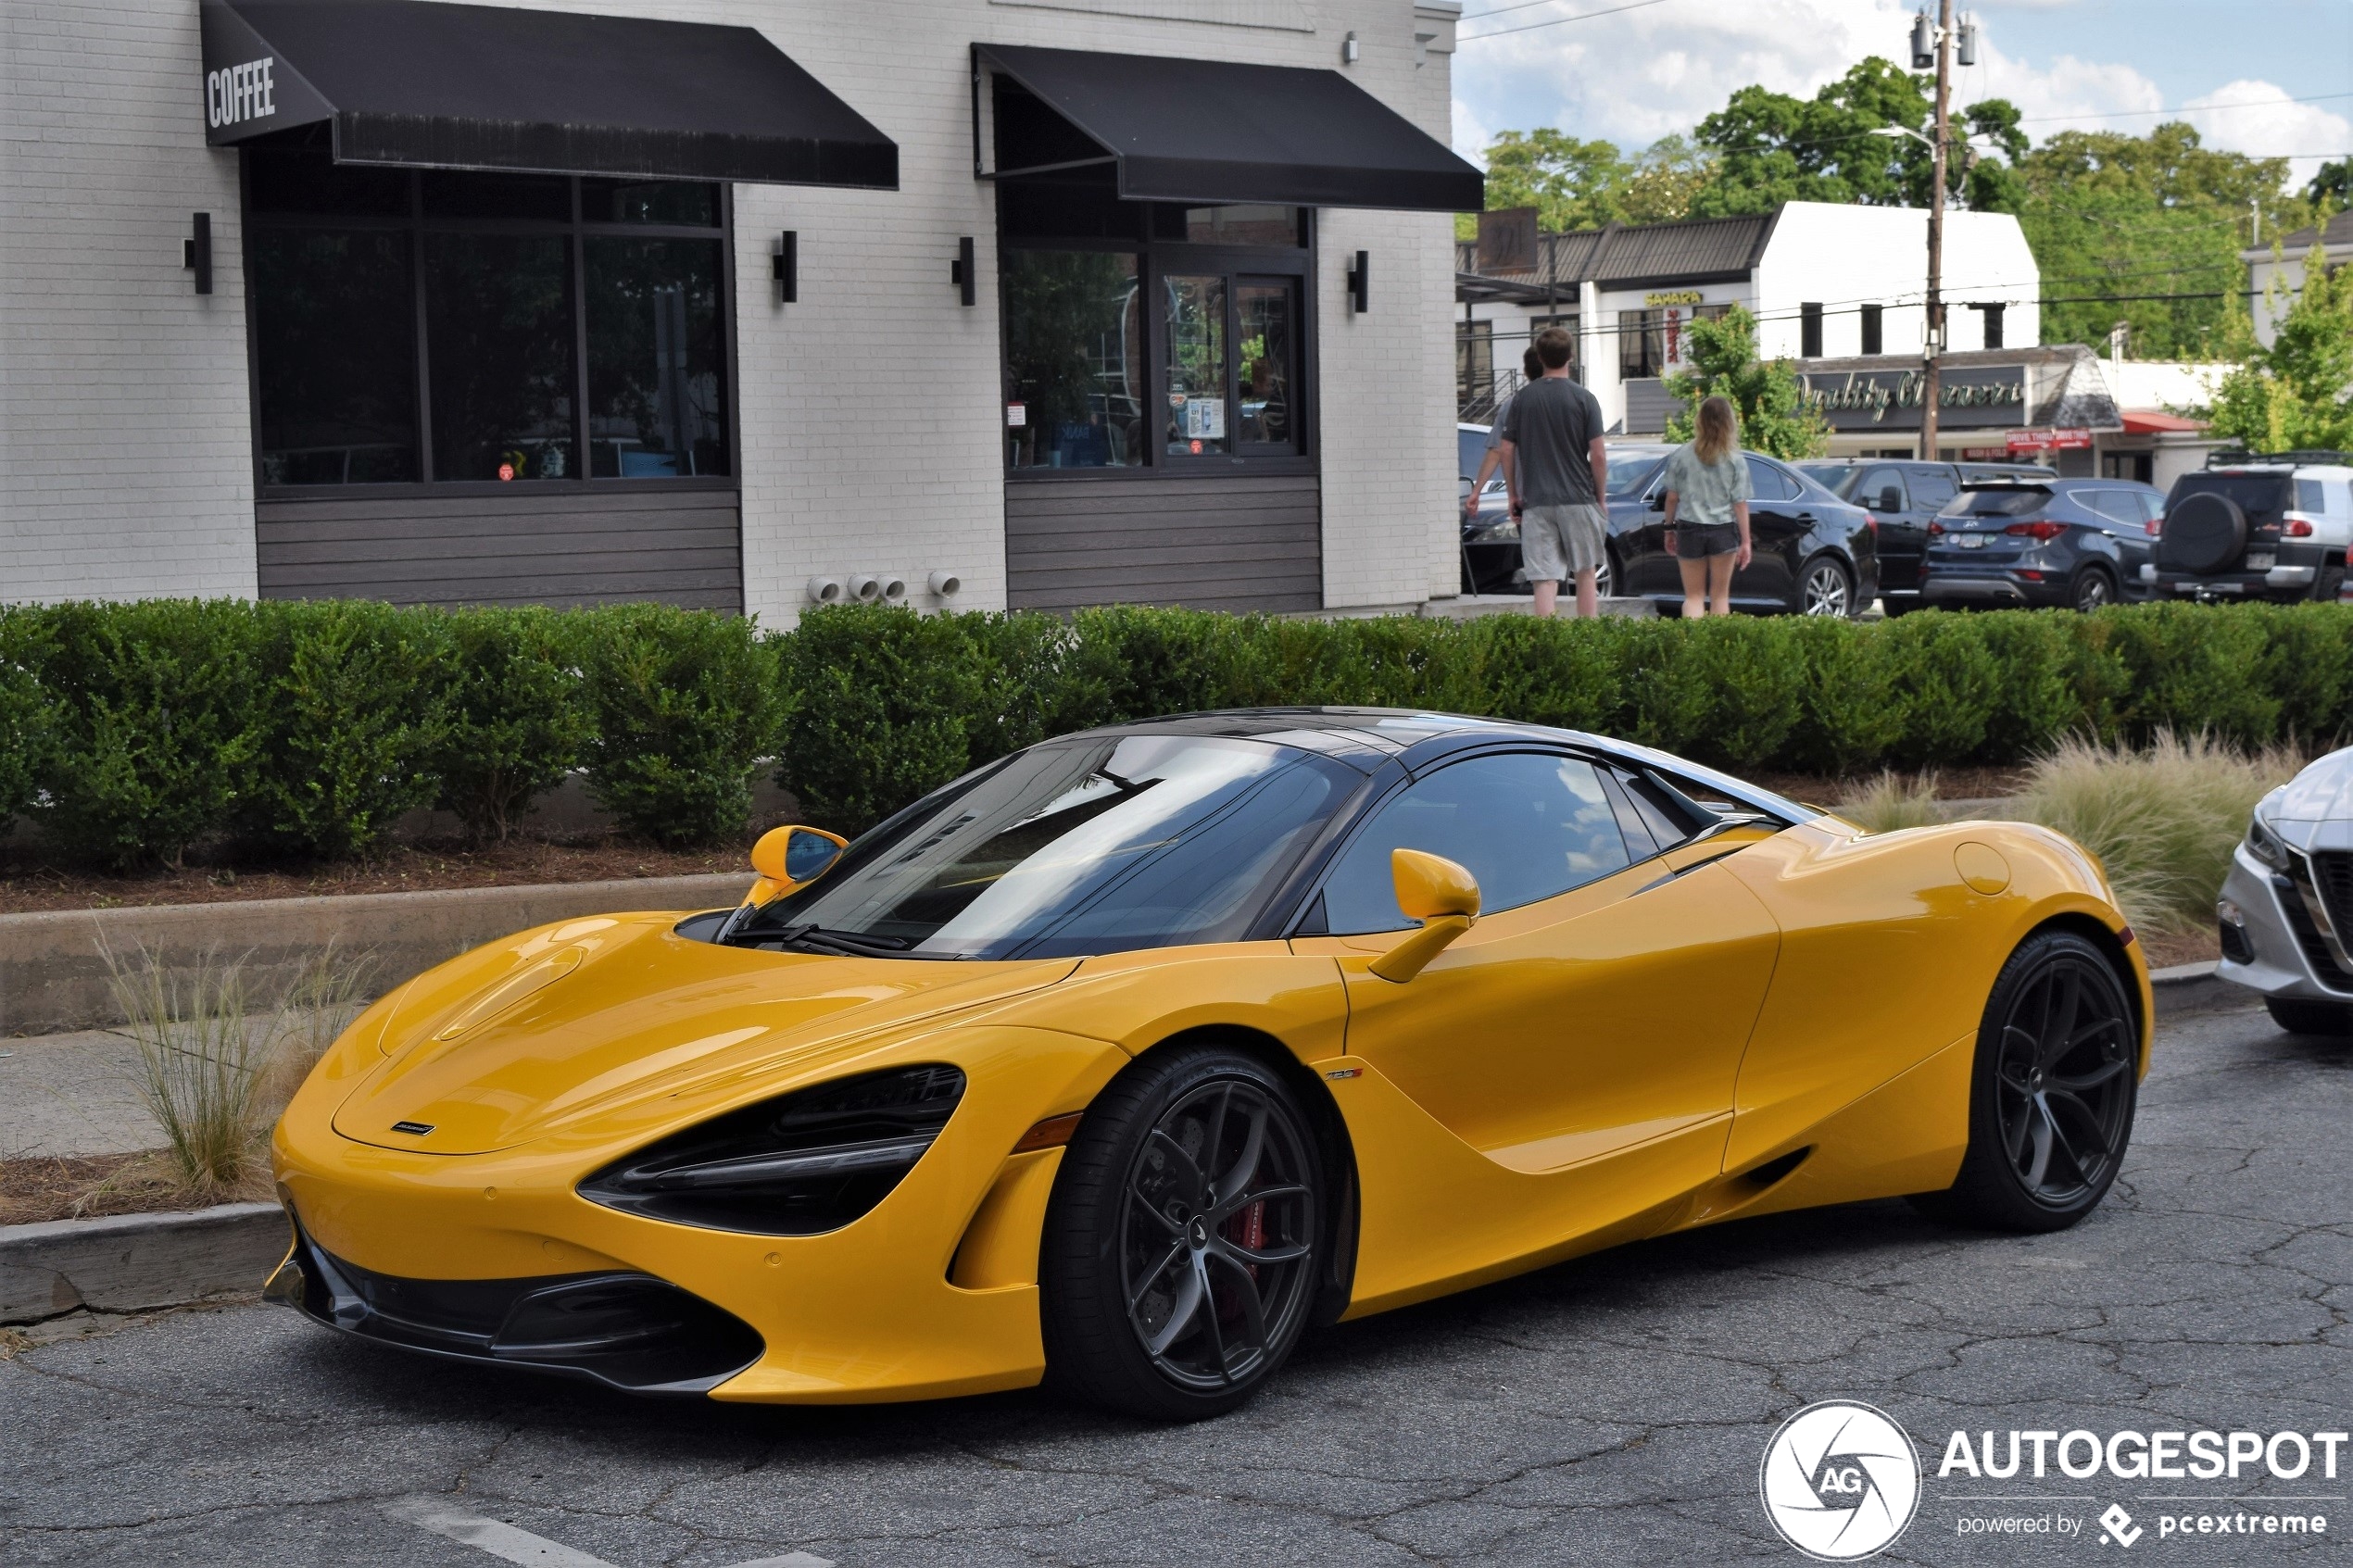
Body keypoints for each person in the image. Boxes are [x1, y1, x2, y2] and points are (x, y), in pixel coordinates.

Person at [1493, 327, 1609, 617]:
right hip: (1579, 500)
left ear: (1540, 358)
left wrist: (1513, 495)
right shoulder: (1585, 399)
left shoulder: (1521, 400)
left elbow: (1505, 450)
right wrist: (1601, 497)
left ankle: (1547, 646)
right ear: (1571, 356)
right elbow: (1598, 454)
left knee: (1544, 578)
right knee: (1585, 572)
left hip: (1536, 502)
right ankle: (1587, 641)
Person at [1660, 395, 1752, 619]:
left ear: (1699, 420)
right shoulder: (1734, 460)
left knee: (1693, 597)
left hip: (1690, 529)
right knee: (1720, 596)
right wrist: (1746, 541)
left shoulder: (1681, 455)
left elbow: (1672, 498)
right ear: (1729, 423)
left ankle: (1693, 646)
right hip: (1723, 530)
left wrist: (1669, 529)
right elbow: (1740, 504)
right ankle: (1716, 649)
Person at [1462, 345, 1546, 527]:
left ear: (1525, 372)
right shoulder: (1576, 399)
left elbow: (1497, 451)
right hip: (1571, 500)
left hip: (1529, 500)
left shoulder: (1514, 404)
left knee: (1534, 554)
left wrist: (1476, 493)